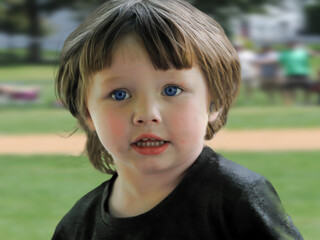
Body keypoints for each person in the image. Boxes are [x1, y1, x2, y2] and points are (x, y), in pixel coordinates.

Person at [52, 0, 303, 239]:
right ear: (87, 113)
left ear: (214, 101)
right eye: (119, 94)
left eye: (171, 90)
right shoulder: (77, 225)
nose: (147, 114)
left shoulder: (236, 197)